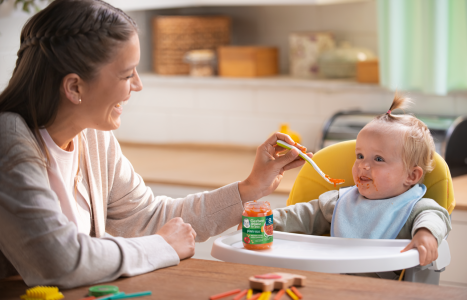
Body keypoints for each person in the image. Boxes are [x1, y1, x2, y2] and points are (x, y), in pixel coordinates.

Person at [0, 0, 310, 288]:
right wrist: (161, 246)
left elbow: (147, 219)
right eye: (126, 74)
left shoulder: (92, 136)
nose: (138, 84)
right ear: (74, 86)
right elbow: (60, 262)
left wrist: (251, 187)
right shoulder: (9, 143)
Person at [271, 94, 452, 278]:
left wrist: (426, 235)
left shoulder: (415, 208)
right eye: (360, 156)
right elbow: (301, 216)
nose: (363, 165)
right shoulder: (341, 202)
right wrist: (265, 221)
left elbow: (436, 218)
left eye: (378, 159)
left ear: (411, 175)